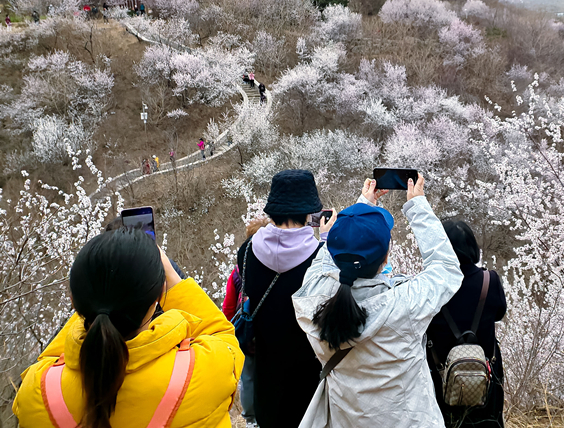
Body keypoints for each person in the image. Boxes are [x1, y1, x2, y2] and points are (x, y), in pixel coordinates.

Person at [13, 228, 243, 427]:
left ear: (75, 301)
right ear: (159, 293)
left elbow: (48, 362)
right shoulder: (203, 370)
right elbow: (222, 335)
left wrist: (97, 295)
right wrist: (173, 280)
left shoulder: (37, 393)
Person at [293, 176, 463, 427]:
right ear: (386, 259)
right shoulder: (404, 305)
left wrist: (359, 213)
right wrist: (417, 206)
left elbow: (328, 259)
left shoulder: (312, 300)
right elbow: (446, 268)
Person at [236, 169, 325, 428]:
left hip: (266, 381)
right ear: (309, 213)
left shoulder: (247, 252)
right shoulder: (319, 259)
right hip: (307, 384)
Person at [426, 220, 507, 427]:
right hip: (485, 377)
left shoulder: (430, 287)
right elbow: (499, 313)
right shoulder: (490, 281)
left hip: (441, 377)